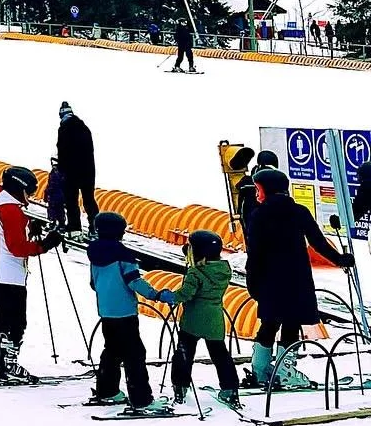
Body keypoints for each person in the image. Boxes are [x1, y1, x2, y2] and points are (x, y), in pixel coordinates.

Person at [242, 167, 353, 389]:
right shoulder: (299, 211)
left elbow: (254, 252)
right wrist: (340, 259)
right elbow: (318, 242)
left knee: (269, 323)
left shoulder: (258, 215)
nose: (256, 193)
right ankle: (285, 372)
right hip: (295, 278)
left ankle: (260, 370)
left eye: (258, 188)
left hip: (269, 279)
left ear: (267, 189)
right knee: (291, 324)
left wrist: (252, 281)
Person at [0, 166, 62, 384]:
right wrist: (44, 245)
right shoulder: (11, 211)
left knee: (3, 318)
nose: (31, 196)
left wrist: (28, 225)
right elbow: (17, 247)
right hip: (8, 273)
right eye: (30, 191)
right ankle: (6, 365)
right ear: (19, 188)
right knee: (15, 321)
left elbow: (7, 233)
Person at [86, 212, 175, 410]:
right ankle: (142, 399)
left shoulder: (94, 253)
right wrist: (157, 295)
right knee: (135, 354)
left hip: (106, 312)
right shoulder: (123, 255)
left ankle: (107, 391)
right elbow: (134, 281)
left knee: (112, 351)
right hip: (125, 312)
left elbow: (93, 283)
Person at [165, 230, 240, 409]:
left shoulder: (196, 273)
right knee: (220, 356)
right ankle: (230, 389)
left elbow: (186, 294)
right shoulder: (223, 270)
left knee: (184, 353)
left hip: (193, 320)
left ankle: (180, 386)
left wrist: (171, 297)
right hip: (215, 320)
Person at [55, 101, 98, 234]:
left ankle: (74, 228)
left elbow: (63, 151)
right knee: (89, 199)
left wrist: (60, 168)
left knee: (71, 199)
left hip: (71, 172)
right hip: (88, 171)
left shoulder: (64, 129)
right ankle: (95, 227)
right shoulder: (84, 128)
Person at [44, 159, 67, 230]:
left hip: (57, 195)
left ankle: (58, 223)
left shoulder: (58, 173)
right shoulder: (54, 172)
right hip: (55, 195)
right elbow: (50, 184)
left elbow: (53, 185)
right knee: (55, 209)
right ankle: (56, 223)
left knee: (57, 210)